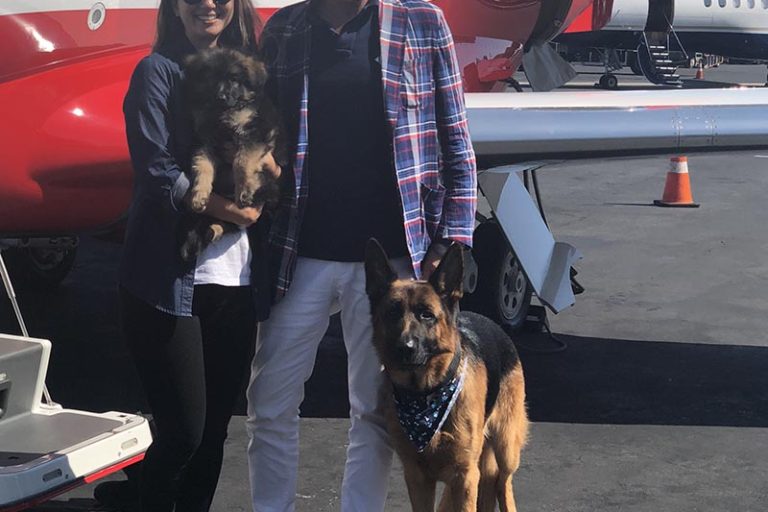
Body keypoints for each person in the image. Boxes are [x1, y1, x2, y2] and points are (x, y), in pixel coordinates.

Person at [245, 0, 477, 510]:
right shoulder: (286, 29)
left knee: (373, 411)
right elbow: (257, 134)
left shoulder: (422, 22)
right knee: (269, 404)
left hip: (393, 264)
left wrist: (452, 238)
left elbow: (456, 138)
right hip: (299, 253)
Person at [112, 0, 277, 510]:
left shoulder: (249, 72)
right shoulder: (156, 73)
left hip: (235, 280)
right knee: (183, 432)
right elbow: (156, 170)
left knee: (213, 436)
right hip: (168, 279)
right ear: (174, 7)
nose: (208, 4)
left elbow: (272, 141)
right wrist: (234, 212)